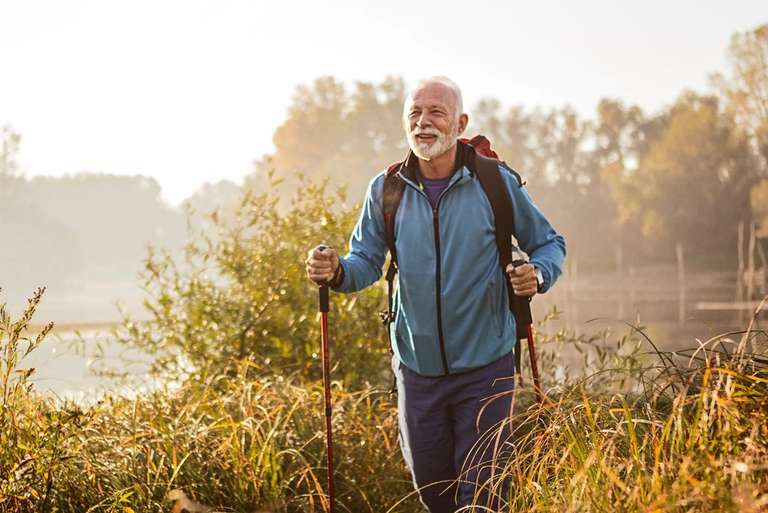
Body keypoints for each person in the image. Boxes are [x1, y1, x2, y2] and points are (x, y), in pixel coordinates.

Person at [305, 76, 565, 512]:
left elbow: (549, 243)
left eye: (436, 113)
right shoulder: (386, 189)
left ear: (460, 122)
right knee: (435, 496)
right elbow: (364, 262)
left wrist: (536, 275)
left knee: (481, 497)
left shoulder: (494, 182)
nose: (424, 123)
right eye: (415, 114)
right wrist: (334, 273)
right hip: (416, 369)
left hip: (486, 366)